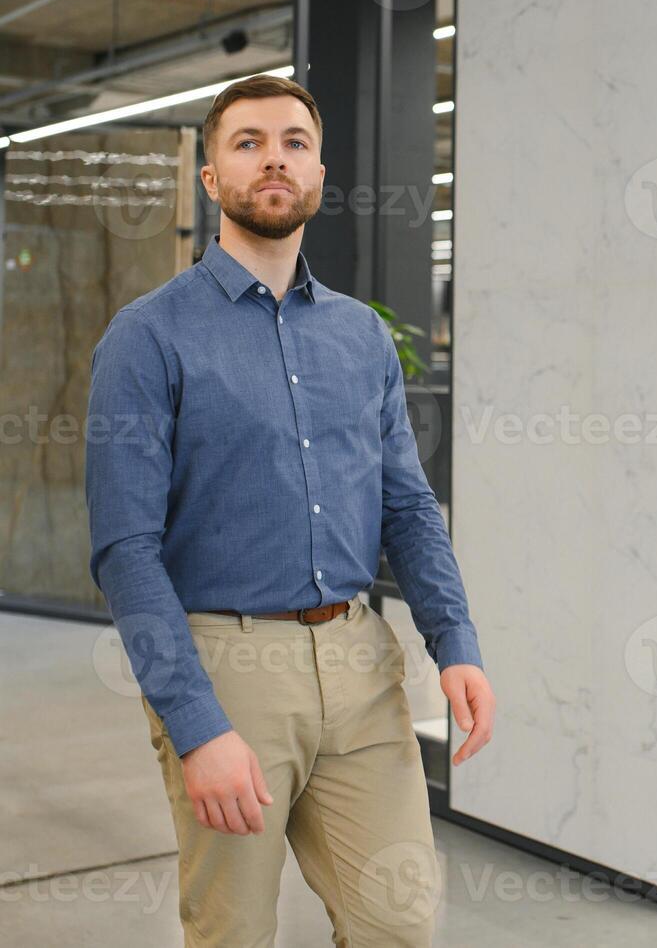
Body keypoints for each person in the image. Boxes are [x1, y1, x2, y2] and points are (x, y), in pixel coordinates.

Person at [85, 74, 495, 947]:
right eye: (247, 142)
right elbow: (125, 548)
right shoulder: (148, 335)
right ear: (210, 178)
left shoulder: (358, 334)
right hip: (226, 664)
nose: (274, 158)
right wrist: (196, 725)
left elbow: (407, 504)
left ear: (317, 171)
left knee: (399, 923)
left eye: (293, 142)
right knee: (233, 931)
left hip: (357, 659)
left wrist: (453, 641)